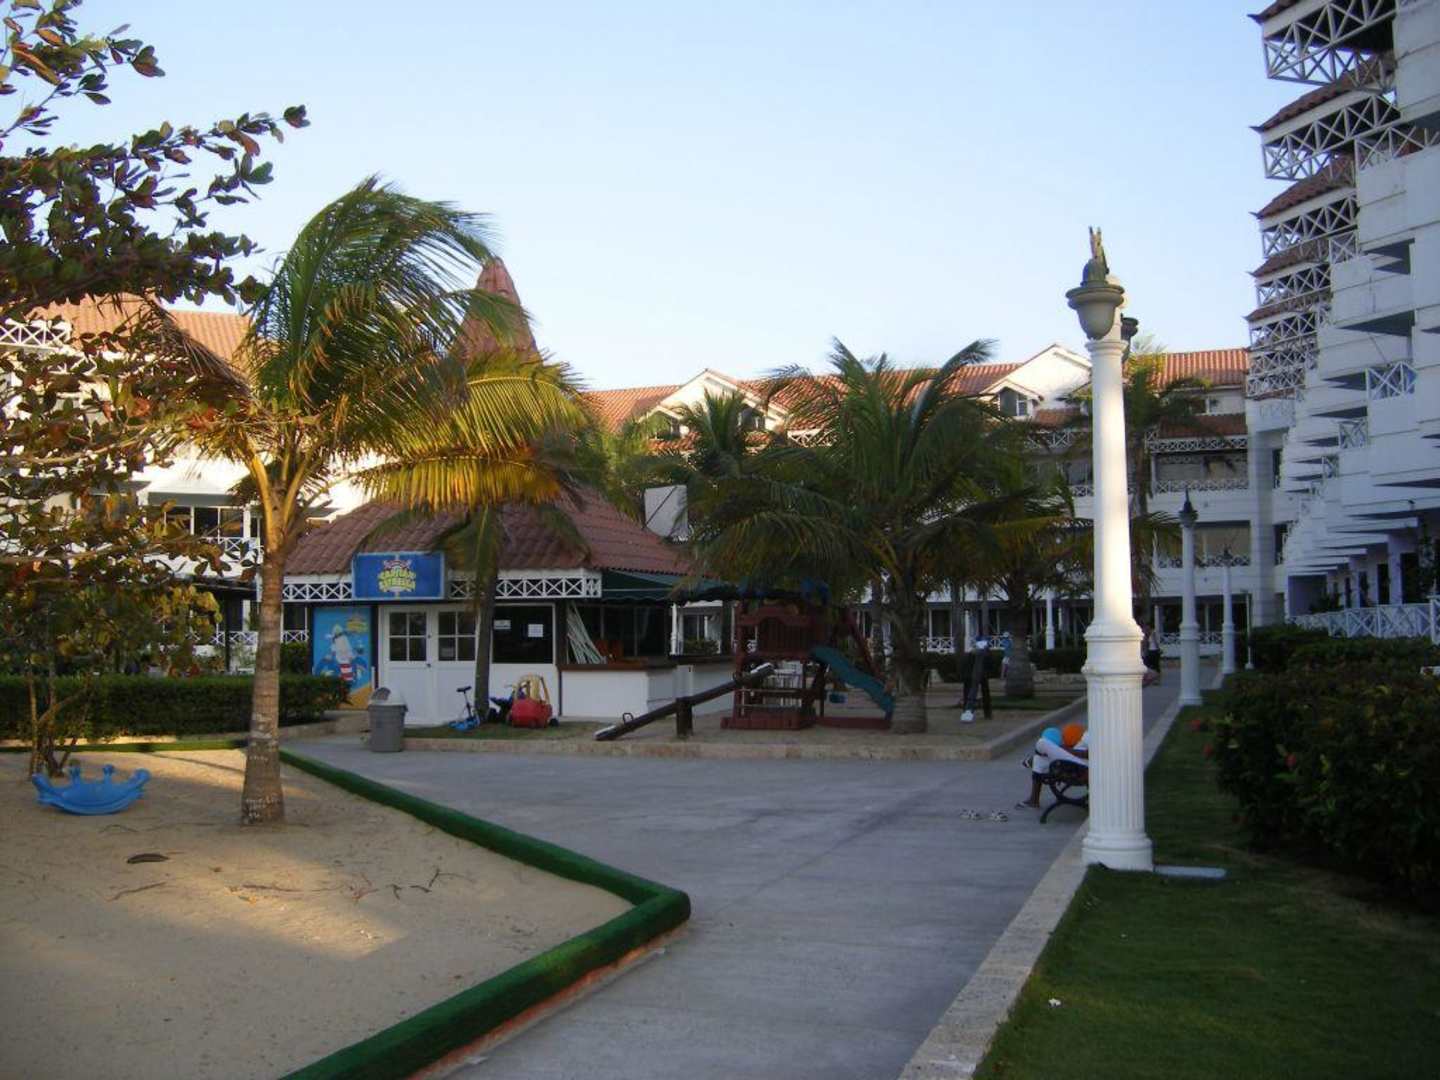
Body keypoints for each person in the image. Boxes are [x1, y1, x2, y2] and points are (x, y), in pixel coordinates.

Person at [1017, 722, 1088, 809]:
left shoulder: (1094, 734)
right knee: (1038, 759)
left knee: (1042, 743)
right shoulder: (1092, 732)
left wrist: (1065, 750)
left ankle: (1033, 759)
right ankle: (1034, 800)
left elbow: (1090, 753)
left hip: (1081, 767)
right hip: (1075, 762)